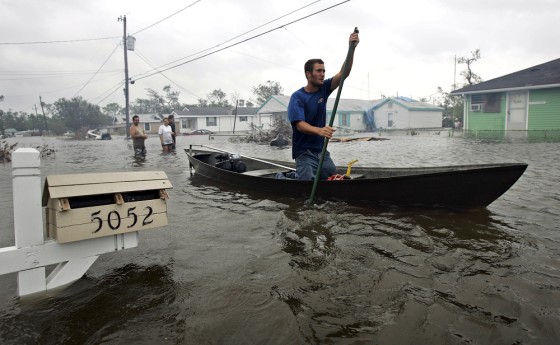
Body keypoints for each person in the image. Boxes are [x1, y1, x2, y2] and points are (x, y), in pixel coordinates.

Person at [287, 30, 360, 180]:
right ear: (308, 74)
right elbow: (300, 125)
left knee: (332, 176)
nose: (323, 74)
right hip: (304, 153)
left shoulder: (324, 89)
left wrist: (351, 48)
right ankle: (289, 177)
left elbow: (344, 73)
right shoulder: (298, 97)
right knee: (305, 185)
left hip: (321, 152)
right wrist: (320, 131)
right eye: (319, 71)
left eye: (324, 71)